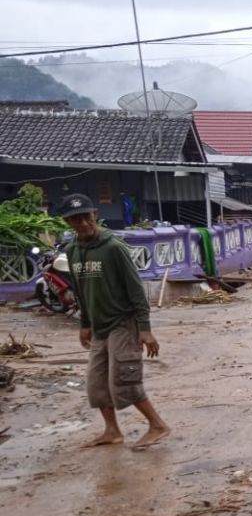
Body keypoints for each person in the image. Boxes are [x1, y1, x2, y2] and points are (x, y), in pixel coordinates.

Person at [61, 193, 170, 450]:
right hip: (99, 327)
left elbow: (135, 290)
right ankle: (112, 430)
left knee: (124, 380)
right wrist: (84, 324)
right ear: (68, 223)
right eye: (76, 219)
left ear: (95, 215)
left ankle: (158, 425)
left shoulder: (113, 248)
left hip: (123, 322)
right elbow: (80, 292)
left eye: (86, 217)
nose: (83, 223)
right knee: (96, 384)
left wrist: (145, 329)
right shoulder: (72, 251)